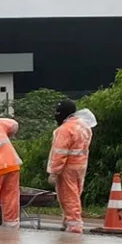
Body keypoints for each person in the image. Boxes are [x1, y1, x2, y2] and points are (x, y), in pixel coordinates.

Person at [47, 100, 94, 233]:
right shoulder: (84, 126)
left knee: (68, 197)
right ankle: (67, 220)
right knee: (75, 194)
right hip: (81, 165)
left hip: (67, 167)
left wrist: (54, 172)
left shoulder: (64, 130)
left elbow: (59, 152)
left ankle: (74, 225)